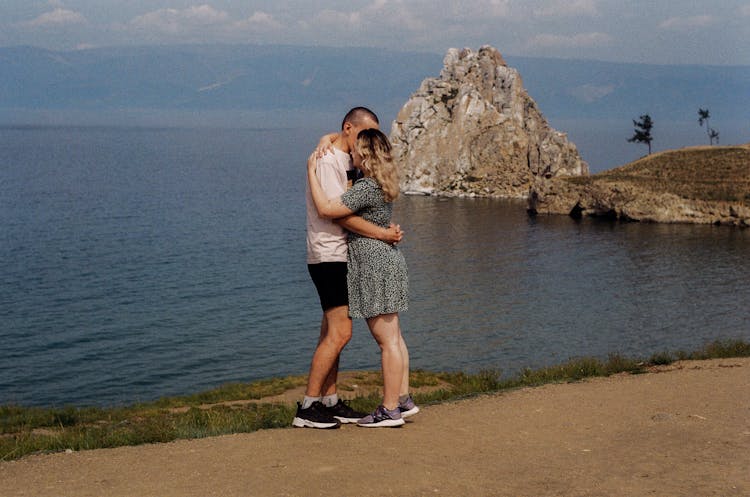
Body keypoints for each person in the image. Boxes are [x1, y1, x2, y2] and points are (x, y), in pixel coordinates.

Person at [293, 107, 404, 429]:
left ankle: (329, 400)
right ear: (348, 128)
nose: (367, 142)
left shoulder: (346, 160)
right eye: (363, 135)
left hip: (342, 253)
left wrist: (324, 137)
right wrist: (383, 233)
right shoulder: (328, 162)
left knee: (331, 331)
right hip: (330, 254)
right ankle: (308, 406)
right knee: (341, 332)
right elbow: (333, 212)